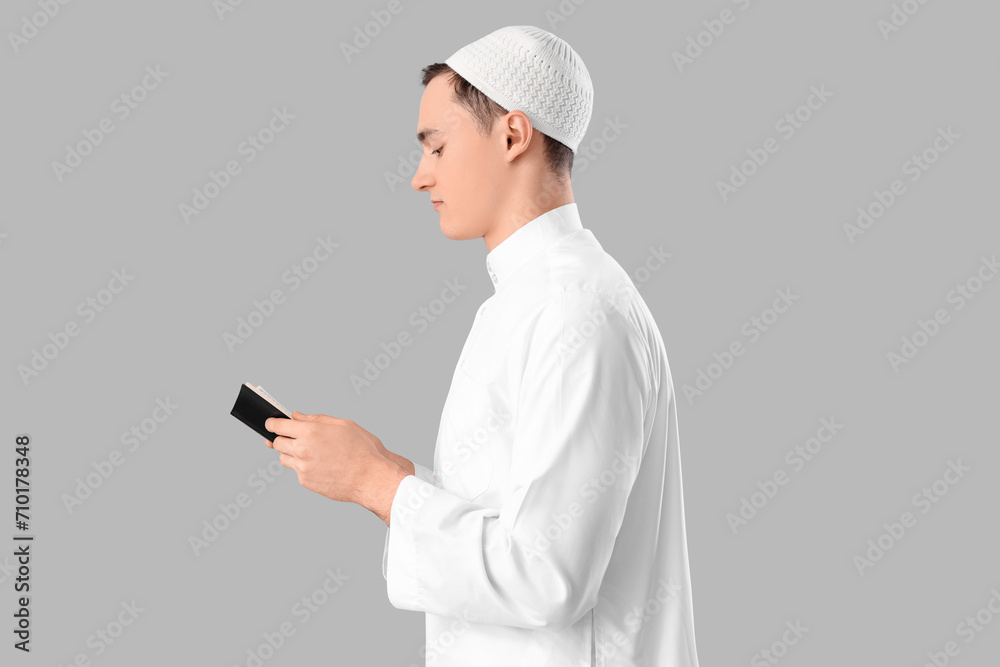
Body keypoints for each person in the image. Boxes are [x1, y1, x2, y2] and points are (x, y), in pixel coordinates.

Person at [265, 25, 700, 666]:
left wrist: (376, 483)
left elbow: (548, 576)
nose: (420, 176)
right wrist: (387, 470)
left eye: (437, 148)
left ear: (513, 135)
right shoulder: (528, 301)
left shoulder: (576, 310)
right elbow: (514, 521)